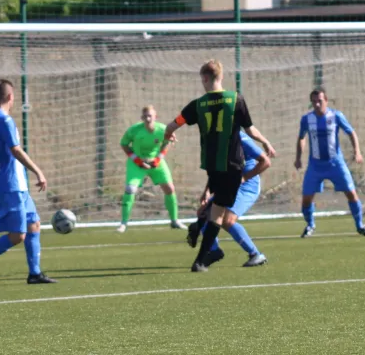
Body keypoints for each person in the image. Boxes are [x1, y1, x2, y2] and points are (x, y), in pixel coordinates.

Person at [165, 59, 275, 272]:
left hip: (216, 167)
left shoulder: (196, 105)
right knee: (212, 214)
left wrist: (169, 135)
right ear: (221, 77)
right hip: (231, 168)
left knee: (217, 215)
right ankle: (205, 255)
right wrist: (266, 141)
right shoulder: (235, 100)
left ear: (204, 78)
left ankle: (210, 254)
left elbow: (173, 124)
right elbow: (251, 130)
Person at [0, 79, 56, 286]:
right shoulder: (4, 121)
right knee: (18, 235)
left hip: (17, 185)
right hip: (10, 184)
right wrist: (38, 171)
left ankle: (35, 273)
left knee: (34, 224)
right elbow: (15, 150)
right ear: (10, 97)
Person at [294, 87, 365, 238]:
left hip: (336, 163)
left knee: (351, 193)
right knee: (306, 198)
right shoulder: (306, 119)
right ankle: (310, 225)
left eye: (320, 101)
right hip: (315, 165)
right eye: (314, 102)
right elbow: (301, 137)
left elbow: (351, 132)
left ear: (326, 101)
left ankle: (360, 225)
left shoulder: (336, 116)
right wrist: (298, 158)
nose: (317, 104)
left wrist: (357, 152)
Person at [188, 131, 270, 268]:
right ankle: (214, 251)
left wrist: (244, 178)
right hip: (227, 184)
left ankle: (256, 255)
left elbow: (265, 162)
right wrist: (207, 191)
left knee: (227, 220)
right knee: (203, 213)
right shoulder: (214, 140)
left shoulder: (239, 137)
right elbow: (216, 171)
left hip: (247, 186)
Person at [117, 105, 186, 233]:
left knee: (170, 188)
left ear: (155, 117)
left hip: (156, 162)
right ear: (142, 118)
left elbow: (167, 143)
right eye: (145, 116)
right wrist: (137, 161)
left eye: (150, 116)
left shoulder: (163, 129)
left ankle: (174, 221)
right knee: (130, 189)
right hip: (136, 163)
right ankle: (123, 224)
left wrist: (158, 159)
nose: (148, 118)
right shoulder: (134, 130)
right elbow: (124, 144)